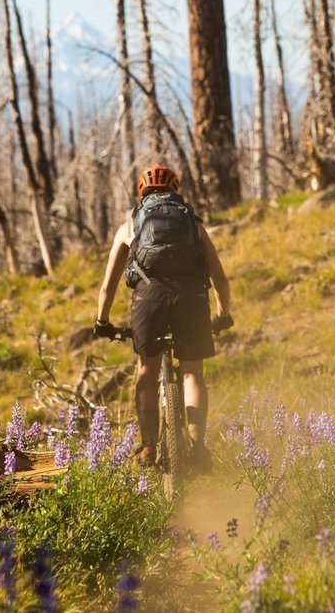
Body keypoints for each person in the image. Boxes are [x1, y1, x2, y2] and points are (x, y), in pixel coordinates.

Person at [93, 165, 232, 473]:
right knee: (193, 372)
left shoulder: (130, 224)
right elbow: (219, 277)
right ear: (176, 190)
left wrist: (102, 322)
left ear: (141, 193)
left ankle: (147, 445)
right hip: (192, 298)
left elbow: (108, 286)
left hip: (149, 299)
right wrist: (223, 315)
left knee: (147, 369)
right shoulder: (192, 223)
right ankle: (197, 448)